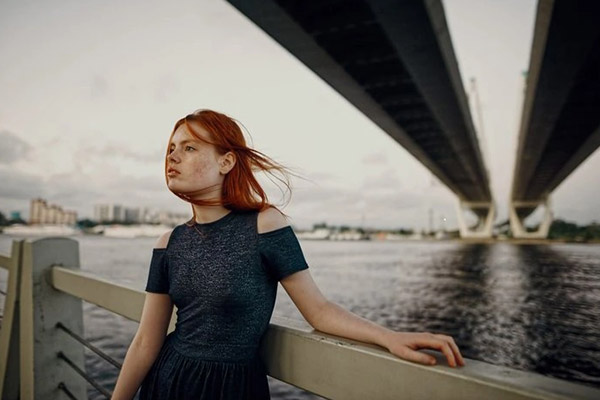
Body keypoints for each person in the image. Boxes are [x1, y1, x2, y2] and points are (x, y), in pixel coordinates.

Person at [111, 109, 465, 400]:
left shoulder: (264, 225)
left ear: (226, 161)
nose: (172, 156)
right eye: (171, 148)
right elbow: (146, 340)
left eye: (189, 148)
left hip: (232, 389)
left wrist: (389, 337)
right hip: (168, 382)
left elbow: (319, 311)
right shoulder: (167, 243)